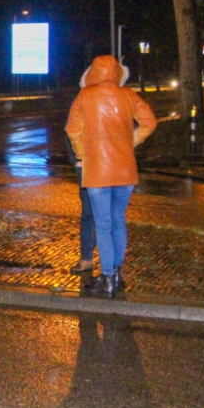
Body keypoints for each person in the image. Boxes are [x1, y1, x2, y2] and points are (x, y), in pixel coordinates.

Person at [65, 55, 157, 297]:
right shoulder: (129, 95)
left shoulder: (85, 96)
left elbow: (73, 130)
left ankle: (107, 278)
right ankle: (116, 273)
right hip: (125, 170)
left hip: (98, 171)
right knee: (118, 221)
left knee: (103, 225)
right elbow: (149, 122)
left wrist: (82, 154)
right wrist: (131, 142)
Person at [64, 131, 96, 275]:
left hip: (109, 164)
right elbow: (70, 128)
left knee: (110, 216)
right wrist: (77, 157)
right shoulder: (78, 107)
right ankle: (87, 258)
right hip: (86, 164)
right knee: (88, 212)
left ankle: (112, 268)